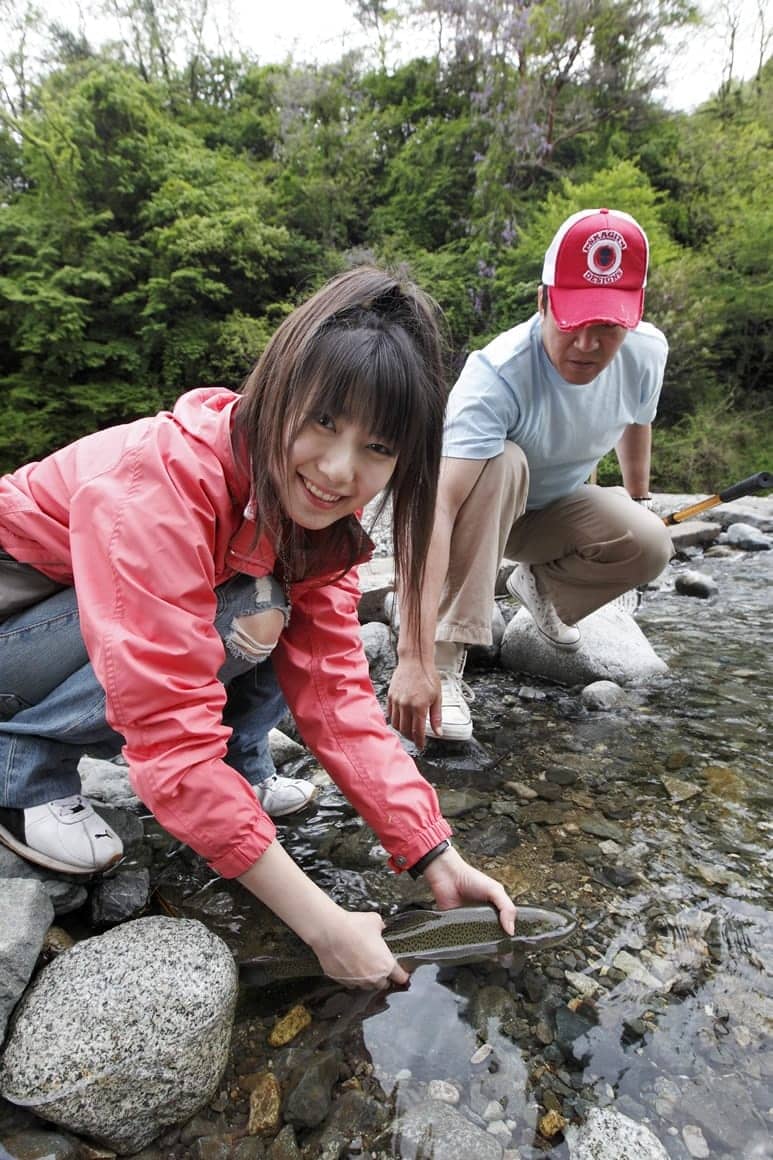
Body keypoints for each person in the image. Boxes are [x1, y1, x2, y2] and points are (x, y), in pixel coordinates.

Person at [0, 265, 516, 989]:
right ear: (278, 391)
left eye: (379, 448)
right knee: (252, 608)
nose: (339, 471)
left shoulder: (317, 531)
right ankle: (21, 773)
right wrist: (322, 926)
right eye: (323, 421)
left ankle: (243, 772)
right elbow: (170, 745)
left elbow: (335, 699)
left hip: (55, 637)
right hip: (12, 634)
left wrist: (432, 852)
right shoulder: (164, 481)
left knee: (276, 608)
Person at [388, 208, 674, 747]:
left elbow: (639, 419)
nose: (589, 344)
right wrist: (414, 655)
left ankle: (538, 588)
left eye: (608, 327)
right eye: (573, 322)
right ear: (543, 300)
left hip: (557, 511)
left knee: (651, 543)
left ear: (631, 318)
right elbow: (437, 510)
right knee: (503, 462)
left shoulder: (646, 352)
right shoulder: (496, 374)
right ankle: (449, 659)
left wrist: (641, 497)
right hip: (485, 507)